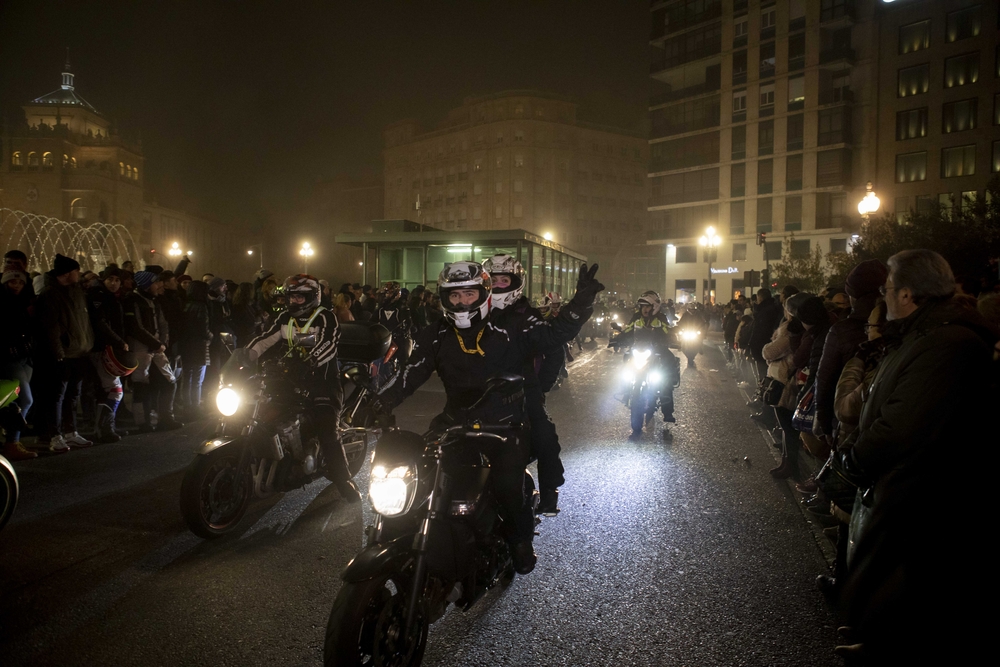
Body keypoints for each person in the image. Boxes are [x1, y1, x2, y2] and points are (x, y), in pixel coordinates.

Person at [384, 261, 603, 574]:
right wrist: (379, 402)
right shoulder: (437, 333)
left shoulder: (511, 325)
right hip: (454, 422)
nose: (462, 302)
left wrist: (581, 301)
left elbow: (553, 335)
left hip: (506, 424)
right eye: (455, 296)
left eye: (469, 294)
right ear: (444, 299)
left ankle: (520, 541)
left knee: (506, 482)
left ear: (483, 294)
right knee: (416, 472)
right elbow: (410, 375)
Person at [834, 250, 997, 662]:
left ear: (907, 294)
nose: (883, 297)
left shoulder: (948, 342)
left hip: (925, 496)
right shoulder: (925, 335)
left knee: (915, 597)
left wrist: (854, 458)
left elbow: (901, 424)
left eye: (887, 290)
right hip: (908, 490)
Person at [245, 274, 360, 502]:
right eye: (291, 297)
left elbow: (328, 344)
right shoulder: (284, 318)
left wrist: (308, 362)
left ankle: (344, 480)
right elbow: (264, 339)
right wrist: (244, 357)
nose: (294, 302)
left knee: (328, 433)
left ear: (312, 297)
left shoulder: (326, 317)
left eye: (299, 297)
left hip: (323, 384)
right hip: (289, 381)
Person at [483, 254, 565, 514]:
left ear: (515, 282)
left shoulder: (527, 315)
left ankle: (549, 493)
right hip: (481, 389)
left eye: (503, 279)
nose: (497, 285)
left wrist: (540, 387)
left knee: (544, 435)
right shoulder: (475, 313)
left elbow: (554, 349)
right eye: (492, 280)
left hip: (522, 387)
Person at [812, 260, 888, 450]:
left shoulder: (842, 330)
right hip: (889, 423)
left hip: (848, 421)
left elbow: (825, 379)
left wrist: (824, 423)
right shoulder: (902, 323)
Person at [32, 254, 95, 452]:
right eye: (76, 270)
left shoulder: (76, 291)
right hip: (63, 354)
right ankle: (54, 435)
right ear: (67, 274)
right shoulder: (50, 294)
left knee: (72, 395)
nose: (79, 274)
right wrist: (58, 352)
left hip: (79, 352)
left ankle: (70, 432)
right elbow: (51, 327)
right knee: (56, 396)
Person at [124, 271, 183, 431]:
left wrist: (162, 342)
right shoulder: (133, 300)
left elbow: (163, 323)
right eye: (155, 283)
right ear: (146, 285)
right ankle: (143, 422)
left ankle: (166, 418)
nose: (159, 286)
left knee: (169, 381)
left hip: (156, 348)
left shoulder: (154, 301)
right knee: (141, 385)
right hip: (141, 349)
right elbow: (135, 327)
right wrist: (155, 343)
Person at [615, 291, 679, 436]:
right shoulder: (636, 317)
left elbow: (668, 331)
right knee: (626, 359)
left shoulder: (661, 318)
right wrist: (618, 338)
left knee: (667, 369)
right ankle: (626, 390)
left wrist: (672, 338)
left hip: (657, 351)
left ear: (655, 306)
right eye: (642, 306)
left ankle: (667, 411)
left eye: (647, 306)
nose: (644, 308)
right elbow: (628, 330)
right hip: (639, 350)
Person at [86, 267, 135, 443]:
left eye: (117, 280)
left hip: (110, 348)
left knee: (108, 390)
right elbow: (102, 323)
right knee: (115, 390)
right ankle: (104, 428)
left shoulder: (113, 298)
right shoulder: (98, 296)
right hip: (102, 348)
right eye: (110, 279)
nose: (113, 283)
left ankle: (106, 427)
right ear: (103, 280)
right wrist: (119, 341)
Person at [1, 269, 36, 460]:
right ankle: (11, 442)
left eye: (20, 283)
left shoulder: (24, 302)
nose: (16, 285)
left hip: (25, 356)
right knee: (25, 399)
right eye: (12, 282)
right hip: (10, 358)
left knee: (15, 400)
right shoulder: (3, 302)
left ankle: (12, 440)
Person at [179, 280, 213, 419]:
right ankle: (196, 408)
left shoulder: (186, 305)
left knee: (187, 378)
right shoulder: (202, 307)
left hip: (186, 345)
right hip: (199, 345)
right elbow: (203, 328)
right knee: (198, 379)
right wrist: (211, 336)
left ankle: (187, 408)